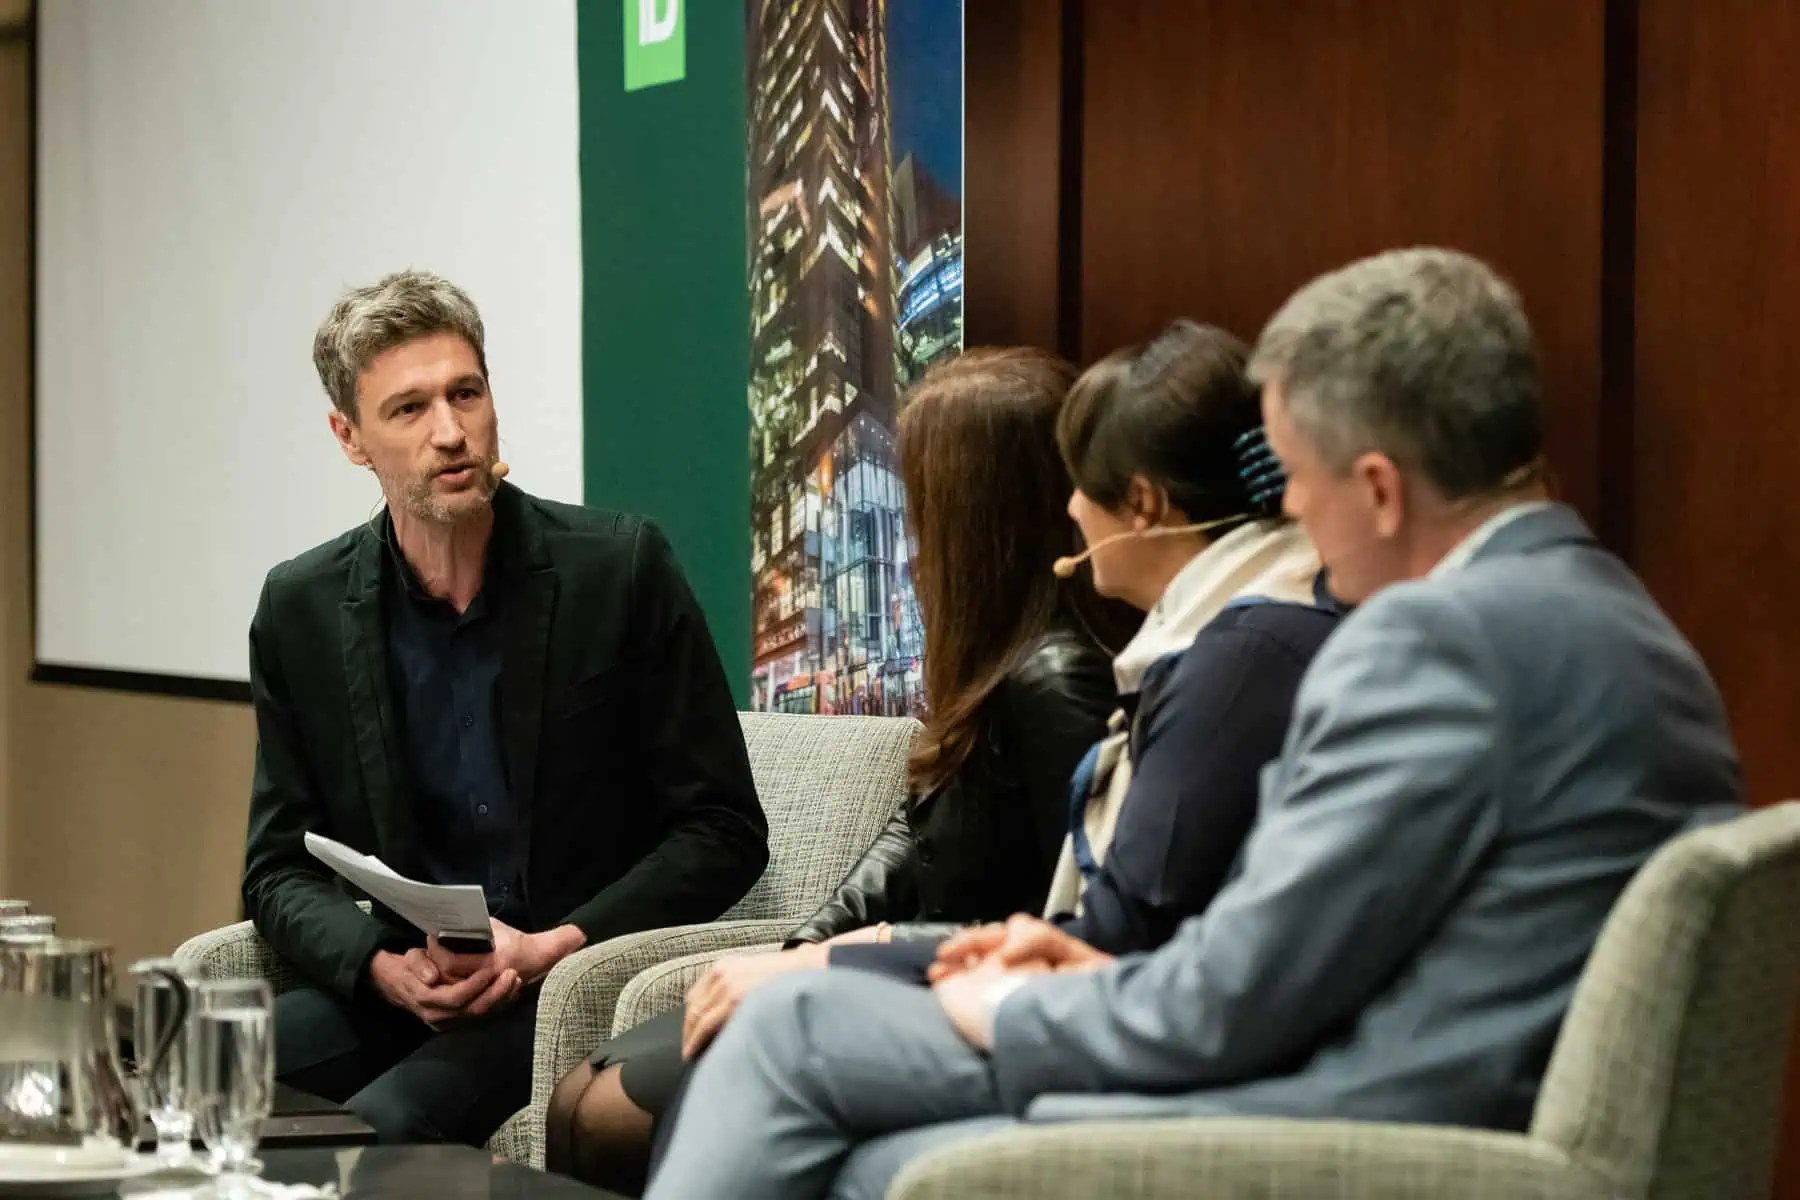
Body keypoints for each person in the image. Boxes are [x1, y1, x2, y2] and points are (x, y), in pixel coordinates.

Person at [638, 248, 1746, 1200]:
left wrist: (1014, 1003)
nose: (1293, 518)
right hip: (1438, 1090)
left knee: (792, 1041)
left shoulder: (1435, 648)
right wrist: (1073, 970)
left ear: (1378, 488)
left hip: (1365, 1124)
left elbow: (1228, 1006)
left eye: (1299, 485)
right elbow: (1322, 944)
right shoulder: (1621, 621)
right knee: (851, 1114)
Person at [544, 348, 1123, 1191]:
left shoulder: (1054, 680)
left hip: (958, 996)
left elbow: (1066, 926)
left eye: (924, 501)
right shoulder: (992, 663)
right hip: (895, 976)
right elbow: (907, 833)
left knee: (606, 1114)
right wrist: (800, 947)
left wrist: (828, 963)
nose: (911, 536)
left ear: (978, 514)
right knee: (581, 1095)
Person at [243, 270, 768, 1147]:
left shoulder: (618, 570)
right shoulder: (301, 605)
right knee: (199, 1065)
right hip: (413, 976)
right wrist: (380, 964)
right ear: (350, 438)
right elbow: (276, 869)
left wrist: (554, 943)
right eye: (408, 410)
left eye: (466, 394)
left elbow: (723, 830)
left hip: (568, 976)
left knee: (383, 1126)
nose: (451, 433)